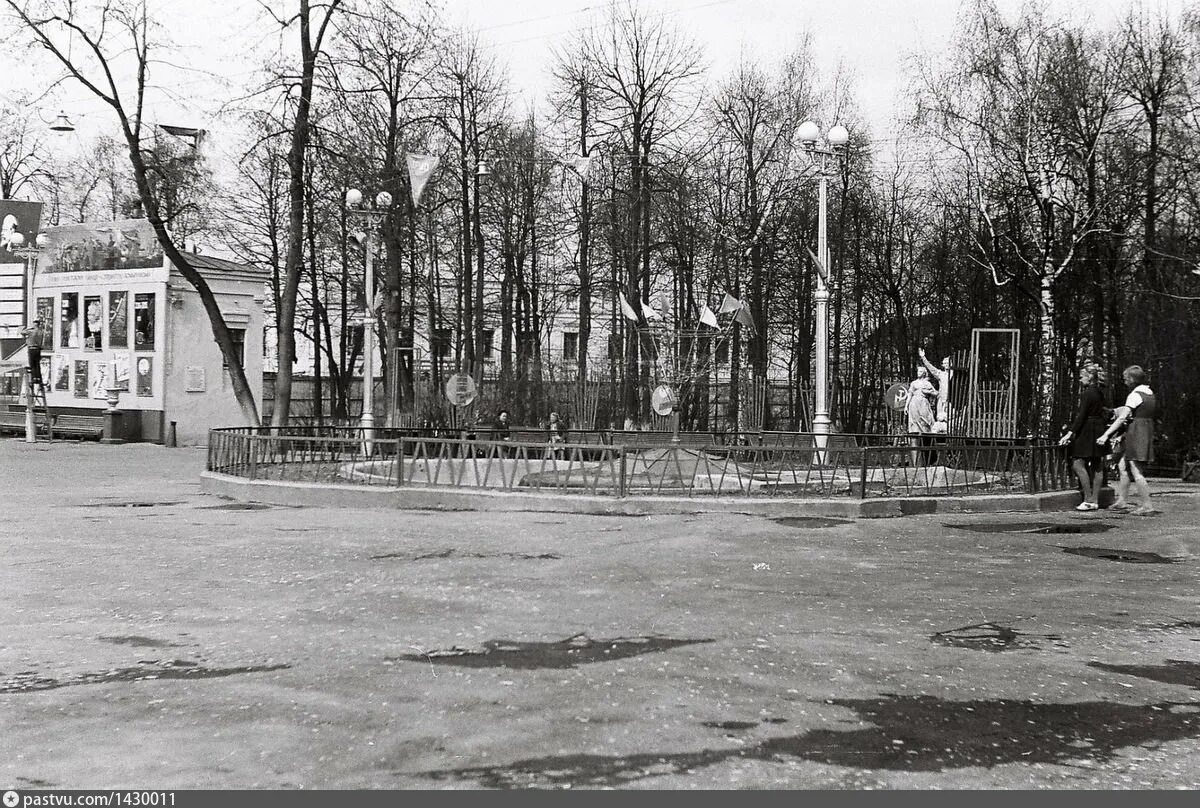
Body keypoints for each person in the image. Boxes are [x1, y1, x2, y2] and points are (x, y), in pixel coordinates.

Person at [1097, 365, 1158, 516]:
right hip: (1144, 429)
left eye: (1125, 379)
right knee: (1123, 465)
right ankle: (1122, 501)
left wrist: (1106, 435)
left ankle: (1147, 505)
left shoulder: (1134, 395)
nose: (1124, 382)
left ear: (1131, 380)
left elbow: (1123, 416)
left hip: (1137, 432)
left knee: (1136, 470)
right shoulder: (1149, 393)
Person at [1059, 361, 1109, 511]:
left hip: (1088, 429)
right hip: (1099, 428)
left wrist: (1069, 433)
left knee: (1078, 463)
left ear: (1089, 377)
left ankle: (1087, 499)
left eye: (1082, 377)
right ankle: (1094, 500)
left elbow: (1081, 416)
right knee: (1097, 465)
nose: (1080, 380)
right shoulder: (1100, 392)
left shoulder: (1087, 393)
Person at [906, 366, 938, 465]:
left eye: (920, 371)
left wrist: (928, 392)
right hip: (914, 404)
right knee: (914, 428)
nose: (918, 373)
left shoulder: (927, 383)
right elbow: (909, 395)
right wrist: (906, 406)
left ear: (924, 373)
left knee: (926, 425)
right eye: (918, 371)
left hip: (923, 404)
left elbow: (936, 393)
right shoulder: (914, 383)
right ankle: (916, 462)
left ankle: (928, 458)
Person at [18, 318, 46, 390]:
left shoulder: (31, 330)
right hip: (38, 349)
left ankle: (34, 379)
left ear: (34, 323)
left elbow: (21, 332)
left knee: (32, 364)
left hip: (32, 349)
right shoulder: (41, 331)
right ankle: (38, 378)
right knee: (37, 365)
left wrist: (24, 327)